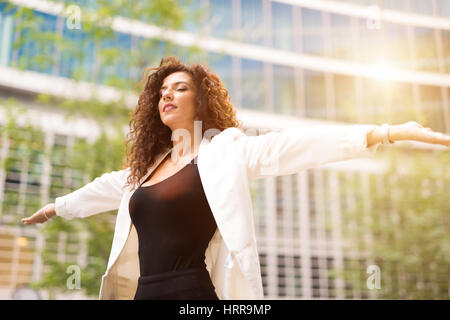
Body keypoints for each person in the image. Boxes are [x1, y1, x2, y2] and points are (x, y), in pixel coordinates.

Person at [21, 56, 450, 300]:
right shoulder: (145, 169)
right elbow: (105, 187)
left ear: (201, 101)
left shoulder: (226, 152)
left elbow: (293, 146)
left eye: (180, 88)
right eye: (162, 91)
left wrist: (385, 132)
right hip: (141, 294)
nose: (167, 95)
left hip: (193, 295)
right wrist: (58, 207)